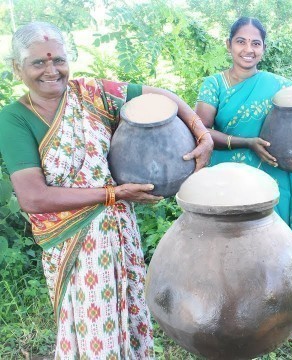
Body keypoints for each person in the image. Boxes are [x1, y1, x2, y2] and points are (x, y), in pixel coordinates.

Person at [0, 22, 213, 358]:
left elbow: (161, 97)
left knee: (128, 315)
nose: (51, 70)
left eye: (58, 60)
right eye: (37, 62)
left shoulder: (91, 94)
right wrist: (114, 194)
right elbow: (33, 197)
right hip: (72, 243)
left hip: (118, 230)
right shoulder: (13, 119)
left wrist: (202, 133)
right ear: (17, 68)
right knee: (91, 326)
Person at [195, 17, 292, 231]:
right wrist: (247, 142)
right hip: (226, 180)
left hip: (271, 178)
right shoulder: (214, 85)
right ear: (228, 44)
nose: (248, 49)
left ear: (264, 48)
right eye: (241, 41)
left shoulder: (278, 84)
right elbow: (201, 131)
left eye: (256, 43)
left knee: (270, 246)